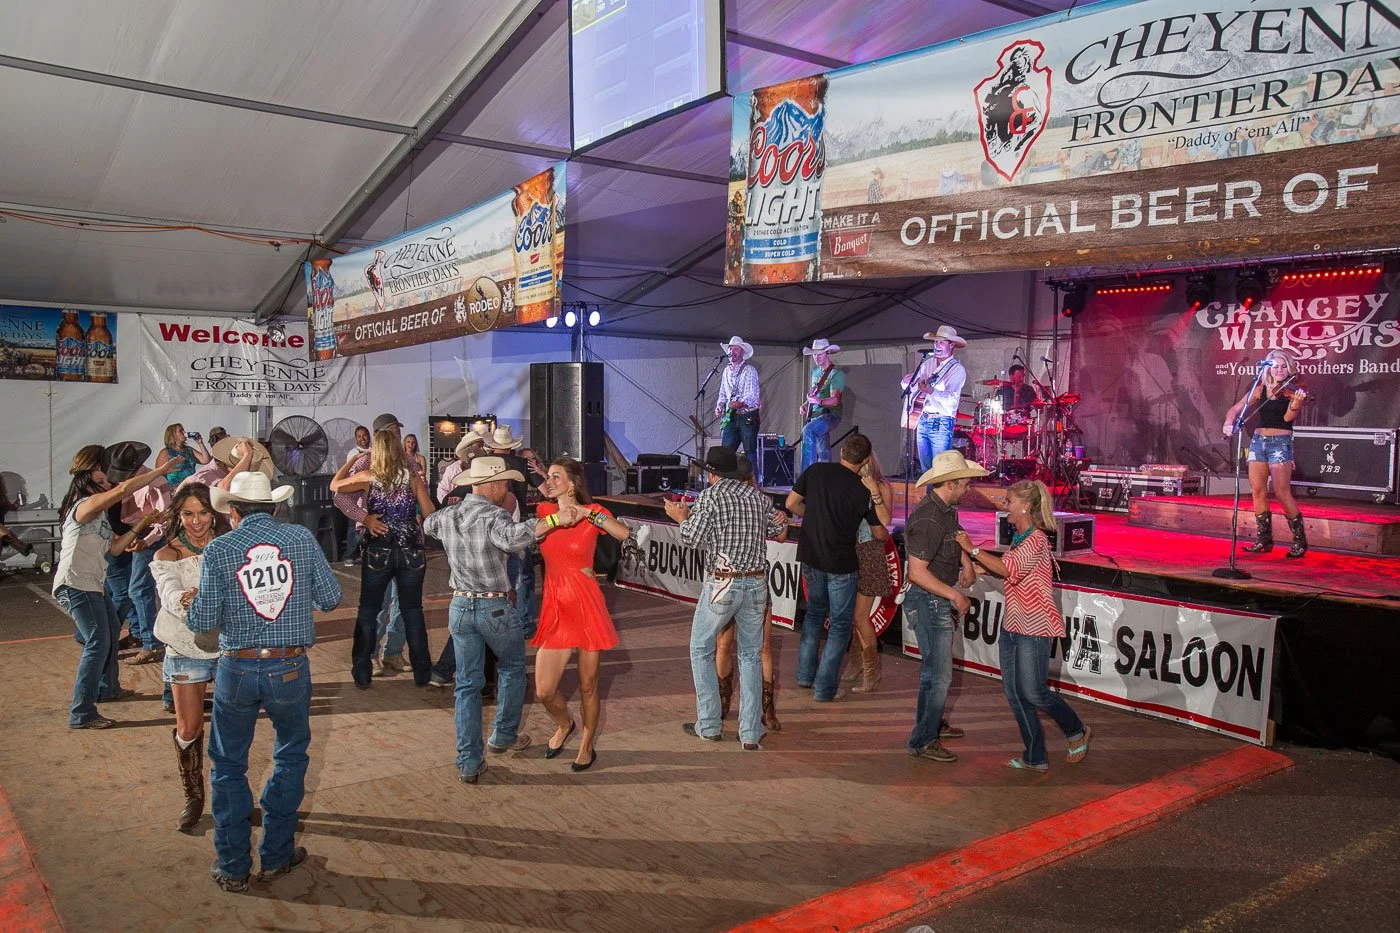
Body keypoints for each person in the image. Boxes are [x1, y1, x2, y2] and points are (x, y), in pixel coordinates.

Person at [186, 471, 341, 892]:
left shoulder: (220, 549)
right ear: (274, 508)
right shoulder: (300, 540)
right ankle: (276, 856)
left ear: (233, 513)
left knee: (229, 764)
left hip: (237, 667)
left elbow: (202, 621)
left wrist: (194, 601)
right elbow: (330, 598)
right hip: (289, 666)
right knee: (290, 756)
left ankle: (233, 866)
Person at [423, 457, 588, 784]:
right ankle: (503, 735)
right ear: (493, 485)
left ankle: (469, 762)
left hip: (459, 606)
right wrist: (556, 520)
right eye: (505, 484)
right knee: (512, 666)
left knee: (467, 686)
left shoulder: (449, 515)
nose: (507, 490)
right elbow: (516, 536)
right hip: (493, 607)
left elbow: (428, 525)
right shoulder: (494, 516)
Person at [956, 479, 1092, 772]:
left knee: (1033, 692)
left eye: (1009, 501)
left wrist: (973, 550)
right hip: (1013, 624)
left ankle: (1076, 728)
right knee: (1015, 693)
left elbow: (1008, 569)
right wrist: (969, 566)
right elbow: (1007, 572)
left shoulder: (1037, 540)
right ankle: (1035, 756)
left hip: (1034, 628)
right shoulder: (1019, 539)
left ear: (1025, 506)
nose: (1005, 506)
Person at [666, 448, 786, 748]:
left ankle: (709, 724)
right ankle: (750, 732)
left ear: (711, 474)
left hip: (723, 581)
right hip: (756, 582)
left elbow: (692, 538)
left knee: (700, 648)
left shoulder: (711, 496)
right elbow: (779, 527)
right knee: (750, 655)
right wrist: (780, 516)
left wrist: (681, 517)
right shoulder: (758, 498)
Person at [55, 443, 169, 728]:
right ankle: (81, 713)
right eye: (101, 482)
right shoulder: (83, 506)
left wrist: (143, 522)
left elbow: (115, 550)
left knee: (107, 636)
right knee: (98, 642)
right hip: (75, 585)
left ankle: (108, 689)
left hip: (92, 585)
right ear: (86, 485)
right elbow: (122, 490)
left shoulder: (100, 517)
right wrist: (161, 471)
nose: (108, 484)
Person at [532, 457, 631, 771]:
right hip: (556, 607)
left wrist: (589, 513)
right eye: (548, 476)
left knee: (588, 685)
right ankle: (565, 724)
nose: (549, 481)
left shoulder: (596, 514)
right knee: (544, 690)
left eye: (555, 476)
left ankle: (587, 744)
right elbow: (531, 533)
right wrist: (558, 518)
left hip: (586, 606)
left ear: (572, 484)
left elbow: (623, 534)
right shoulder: (545, 512)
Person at [151, 482, 231, 831]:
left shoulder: (230, 546)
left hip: (231, 645)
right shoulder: (166, 554)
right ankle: (194, 797)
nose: (197, 521)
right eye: (188, 514)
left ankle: (231, 798)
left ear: (213, 513)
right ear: (178, 516)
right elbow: (170, 596)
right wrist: (190, 599)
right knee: (189, 728)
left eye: (203, 512)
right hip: (185, 646)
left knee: (232, 730)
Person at [330, 430, 436, 688]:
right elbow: (430, 510)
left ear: (375, 451)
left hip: (379, 548)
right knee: (412, 611)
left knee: (369, 610)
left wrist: (365, 517)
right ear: (399, 450)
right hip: (411, 548)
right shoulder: (411, 476)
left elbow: (335, 488)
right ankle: (422, 673)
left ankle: (363, 671)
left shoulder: (368, 476)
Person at [785, 434, 887, 702]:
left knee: (814, 615)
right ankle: (825, 688)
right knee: (840, 625)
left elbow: (791, 504)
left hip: (810, 555)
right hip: (841, 563)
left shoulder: (816, 470)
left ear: (841, 451)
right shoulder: (862, 490)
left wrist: (814, 515)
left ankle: (805, 676)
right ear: (865, 459)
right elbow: (879, 533)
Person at [903, 450, 986, 764]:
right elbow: (917, 572)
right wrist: (954, 596)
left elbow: (954, 535)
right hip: (930, 599)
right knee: (938, 676)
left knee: (934, 673)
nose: (968, 489)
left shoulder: (945, 509)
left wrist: (965, 562)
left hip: (935, 597)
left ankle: (930, 727)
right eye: (964, 484)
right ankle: (924, 739)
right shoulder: (928, 518)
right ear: (950, 484)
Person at [712, 456, 783, 732]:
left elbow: (779, 533)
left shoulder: (759, 502)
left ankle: (765, 709)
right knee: (732, 646)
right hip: (732, 582)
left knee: (746, 647)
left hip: (747, 582)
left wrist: (783, 519)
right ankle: (724, 703)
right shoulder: (727, 501)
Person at [1223, 349, 1310, 558]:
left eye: (1283, 366)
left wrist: (1296, 404)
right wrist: (1229, 421)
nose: (1279, 370)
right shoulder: (1259, 389)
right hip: (1258, 442)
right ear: (1267, 368)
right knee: (1258, 491)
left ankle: (1299, 540)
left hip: (1280, 442)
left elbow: (1288, 418)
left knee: (1281, 492)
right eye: (1275, 366)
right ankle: (1264, 539)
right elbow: (1237, 408)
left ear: (1289, 368)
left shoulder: (1294, 390)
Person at [843, 450, 895, 693]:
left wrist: (873, 490)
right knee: (854, 615)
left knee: (860, 616)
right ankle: (856, 665)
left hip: (870, 553)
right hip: (851, 551)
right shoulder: (849, 485)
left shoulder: (882, 485)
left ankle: (872, 672)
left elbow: (884, 522)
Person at [903, 326, 968, 473]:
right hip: (922, 419)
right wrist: (908, 382)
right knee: (926, 470)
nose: (936, 345)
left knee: (940, 470)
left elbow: (951, 400)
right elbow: (914, 388)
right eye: (935, 342)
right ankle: (930, 495)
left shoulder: (957, 369)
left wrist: (932, 391)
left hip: (941, 421)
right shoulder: (927, 364)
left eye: (941, 342)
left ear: (951, 345)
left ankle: (936, 496)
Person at [800, 338, 845, 471]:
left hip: (830, 415)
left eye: (819, 354)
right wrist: (806, 404)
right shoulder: (815, 371)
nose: (816, 357)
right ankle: (826, 479)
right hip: (816, 414)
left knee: (808, 430)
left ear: (828, 353)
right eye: (814, 354)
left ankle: (807, 474)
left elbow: (835, 400)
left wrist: (819, 402)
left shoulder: (837, 374)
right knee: (823, 450)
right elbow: (816, 393)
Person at [715, 335, 761, 458]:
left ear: (742, 352)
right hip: (732, 417)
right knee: (725, 454)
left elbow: (752, 396)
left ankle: (751, 477)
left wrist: (740, 404)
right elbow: (723, 394)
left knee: (750, 454)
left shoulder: (749, 370)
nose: (732, 351)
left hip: (748, 417)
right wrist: (719, 405)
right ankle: (728, 478)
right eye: (730, 349)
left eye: (736, 349)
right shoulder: (726, 371)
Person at [342, 424, 371, 566]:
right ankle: (350, 555)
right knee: (353, 525)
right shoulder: (353, 453)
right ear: (356, 439)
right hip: (355, 494)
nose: (362, 438)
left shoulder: (374, 451)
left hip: (370, 493)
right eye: (359, 436)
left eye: (364, 435)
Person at [155, 424, 210, 488]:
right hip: (174, 489)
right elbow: (157, 474)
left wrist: (200, 443)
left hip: (191, 487)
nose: (184, 433)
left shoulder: (189, 450)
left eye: (183, 430)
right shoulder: (165, 452)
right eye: (180, 431)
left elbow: (206, 460)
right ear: (173, 435)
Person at [436, 433, 486, 505]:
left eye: (482, 446)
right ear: (468, 448)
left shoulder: (485, 466)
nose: (482, 449)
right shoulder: (453, 468)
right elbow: (442, 489)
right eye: (479, 446)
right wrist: (449, 502)